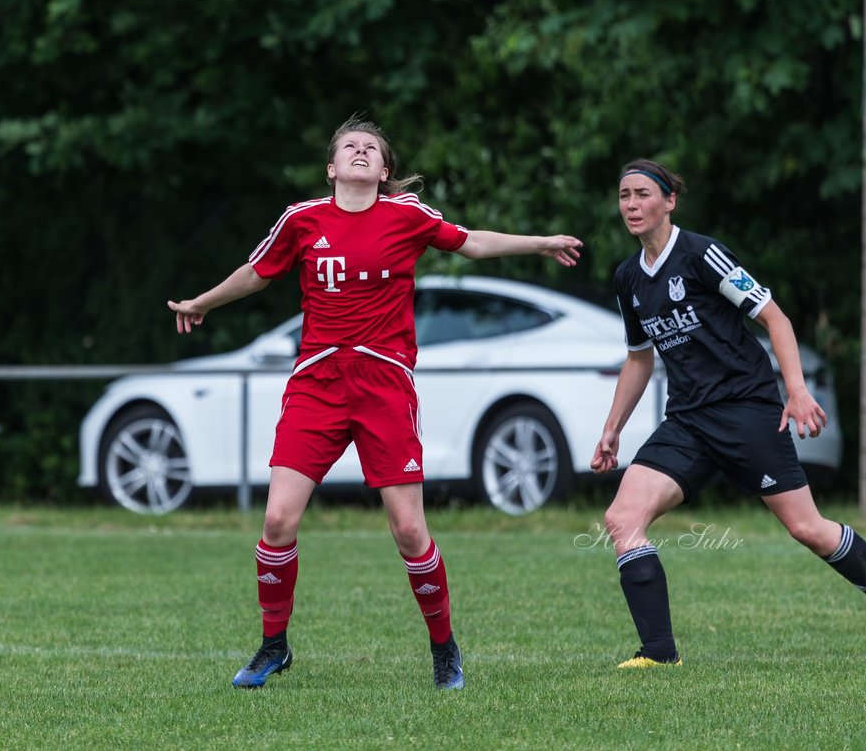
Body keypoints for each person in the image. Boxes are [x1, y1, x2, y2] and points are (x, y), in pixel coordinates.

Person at [168, 115, 583, 690]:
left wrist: (539, 243)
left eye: (371, 148)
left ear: (384, 171)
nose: (360, 152)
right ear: (332, 168)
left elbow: (471, 243)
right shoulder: (301, 220)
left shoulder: (407, 215)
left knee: (409, 531)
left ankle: (445, 650)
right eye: (349, 147)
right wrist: (203, 303)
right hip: (316, 383)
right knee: (278, 519)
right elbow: (257, 273)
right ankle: (273, 647)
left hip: (383, 385)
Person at [590, 158, 866, 668]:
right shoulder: (628, 278)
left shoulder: (702, 255)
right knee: (623, 518)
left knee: (808, 529)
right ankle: (659, 654)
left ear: (669, 201)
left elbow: (775, 317)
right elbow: (640, 357)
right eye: (624, 196)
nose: (632, 205)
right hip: (687, 421)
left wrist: (794, 390)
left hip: (745, 410)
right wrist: (612, 428)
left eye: (643, 194)